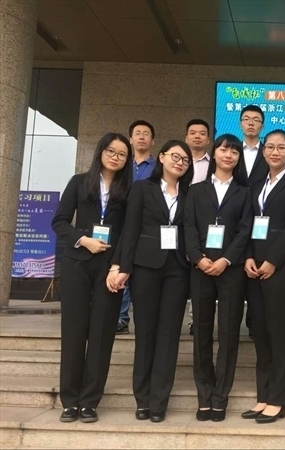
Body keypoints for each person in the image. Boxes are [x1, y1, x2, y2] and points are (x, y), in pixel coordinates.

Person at [109, 140, 193, 423]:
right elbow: (130, 229)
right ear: (162, 157)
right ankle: (142, 398)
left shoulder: (189, 194)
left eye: (185, 160)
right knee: (145, 333)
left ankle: (159, 401)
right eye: (175, 157)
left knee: (169, 335)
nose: (180, 162)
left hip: (177, 270)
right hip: (145, 267)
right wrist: (122, 266)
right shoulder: (143, 188)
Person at [51, 132, 133, 423]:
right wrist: (83, 240)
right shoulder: (79, 182)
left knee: (101, 334)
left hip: (109, 269)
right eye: (111, 151)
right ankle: (69, 401)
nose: (115, 157)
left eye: (122, 154)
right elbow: (59, 221)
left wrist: (118, 265)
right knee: (74, 331)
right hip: (77, 264)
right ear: (100, 152)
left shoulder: (129, 191)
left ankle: (89, 402)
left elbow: (129, 233)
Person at [242, 129, 285, 424]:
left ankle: (278, 399)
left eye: (281, 147)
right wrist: (248, 256)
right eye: (270, 147)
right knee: (260, 330)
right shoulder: (256, 183)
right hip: (254, 265)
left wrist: (272, 260)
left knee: (279, 332)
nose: (275, 152)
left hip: (281, 266)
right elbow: (247, 223)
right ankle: (263, 396)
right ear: (263, 151)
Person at [184, 134, 252, 422]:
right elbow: (188, 226)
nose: (229, 155)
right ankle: (204, 394)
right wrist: (198, 258)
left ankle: (220, 396)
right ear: (214, 154)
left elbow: (245, 230)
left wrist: (226, 260)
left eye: (234, 152)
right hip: (200, 268)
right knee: (201, 331)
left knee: (228, 333)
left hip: (231, 270)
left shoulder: (245, 192)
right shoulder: (195, 190)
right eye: (224, 150)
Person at [117, 120, 156, 335]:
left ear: (153, 141)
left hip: (146, 227)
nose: (141, 137)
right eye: (137, 133)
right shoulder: (122, 165)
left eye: (146, 134)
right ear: (130, 139)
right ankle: (121, 317)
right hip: (120, 222)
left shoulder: (158, 167)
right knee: (121, 267)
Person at [238, 105, 269, 338]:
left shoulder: (269, 152)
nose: (251, 123)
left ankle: (254, 323)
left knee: (257, 268)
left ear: (262, 125)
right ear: (240, 123)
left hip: (262, 217)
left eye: (256, 120)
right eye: (246, 119)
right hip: (235, 216)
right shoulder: (231, 150)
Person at [184, 118, 212, 335]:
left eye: (202, 133)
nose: (197, 136)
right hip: (176, 222)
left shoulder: (213, 165)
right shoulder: (178, 161)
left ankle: (196, 320)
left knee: (199, 272)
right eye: (193, 133)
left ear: (208, 139)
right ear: (186, 137)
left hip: (203, 225)